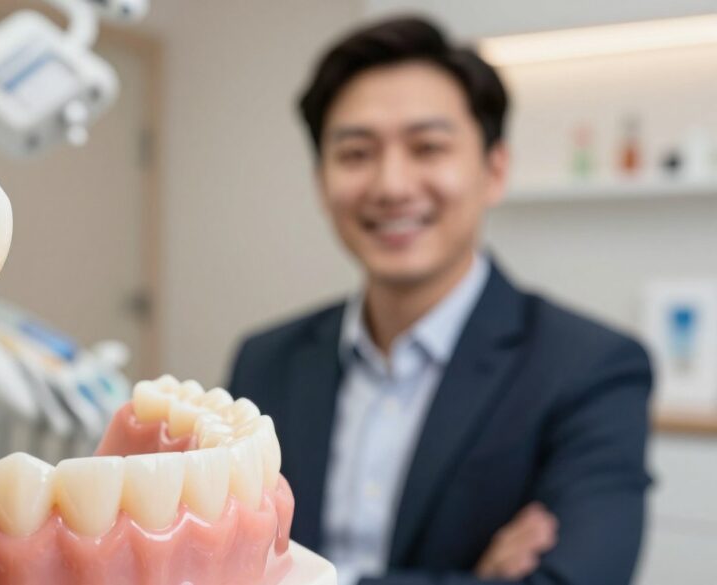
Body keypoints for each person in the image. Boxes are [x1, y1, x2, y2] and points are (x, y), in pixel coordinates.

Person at [227, 16, 652, 585]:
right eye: (355, 153)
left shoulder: (590, 368)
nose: (392, 185)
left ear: (494, 169)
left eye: (428, 147)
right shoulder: (264, 362)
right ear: (321, 181)